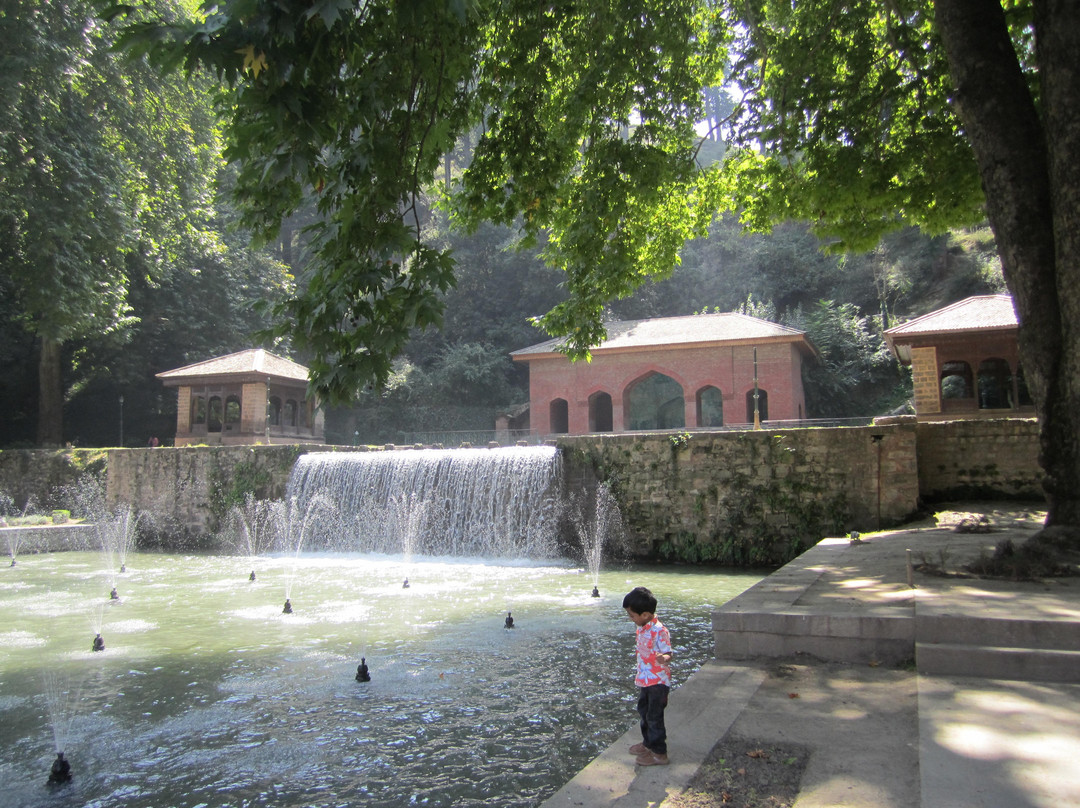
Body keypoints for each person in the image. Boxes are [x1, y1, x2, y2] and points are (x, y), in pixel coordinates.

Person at [623, 586, 672, 766]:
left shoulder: (660, 631)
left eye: (632, 615)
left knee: (654, 716)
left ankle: (660, 754)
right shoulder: (643, 627)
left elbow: (668, 653)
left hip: (658, 682)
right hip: (645, 679)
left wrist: (664, 658)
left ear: (644, 615)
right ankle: (648, 743)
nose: (630, 618)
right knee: (644, 712)